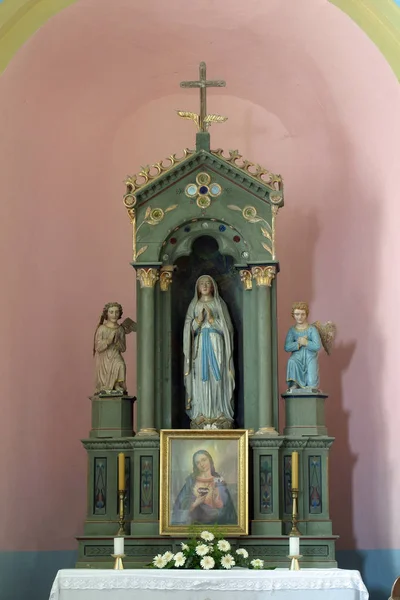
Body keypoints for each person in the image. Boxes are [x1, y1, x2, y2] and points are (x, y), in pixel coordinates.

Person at [183, 275, 235, 428]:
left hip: (216, 343)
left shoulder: (219, 304)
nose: (205, 286)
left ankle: (219, 412)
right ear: (197, 288)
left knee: (217, 376)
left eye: (207, 283)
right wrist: (197, 321)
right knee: (200, 377)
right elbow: (187, 329)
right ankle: (201, 413)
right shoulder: (194, 305)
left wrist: (212, 320)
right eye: (201, 284)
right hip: (199, 345)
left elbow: (228, 329)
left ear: (213, 287)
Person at [171, 449, 237, 526]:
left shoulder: (219, 481)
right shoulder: (191, 482)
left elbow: (227, 508)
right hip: (195, 525)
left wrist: (216, 499)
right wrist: (195, 504)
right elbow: (180, 506)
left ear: (210, 460)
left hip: (217, 525)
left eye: (204, 460)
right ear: (195, 465)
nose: (202, 464)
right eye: (198, 462)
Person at [93, 302, 135, 395]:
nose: (114, 315)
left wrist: (117, 342)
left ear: (120, 314)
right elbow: (98, 347)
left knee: (121, 365)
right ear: (106, 314)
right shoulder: (102, 329)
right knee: (107, 374)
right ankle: (106, 386)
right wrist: (108, 340)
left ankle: (117, 384)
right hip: (104, 357)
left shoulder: (120, 329)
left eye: (116, 312)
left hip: (115, 353)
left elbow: (123, 348)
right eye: (111, 312)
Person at [284, 302, 321, 391]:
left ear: (306, 315)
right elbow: (287, 347)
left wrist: (306, 342)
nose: (299, 317)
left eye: (302, 314)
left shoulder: (312, 329)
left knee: (312, 384)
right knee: (291, 361)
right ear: (293, 315)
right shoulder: (292, 330)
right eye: (297, 314)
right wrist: (298, 344)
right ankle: (294, 384)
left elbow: (317, 346)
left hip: (310, 357)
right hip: (297, 358)